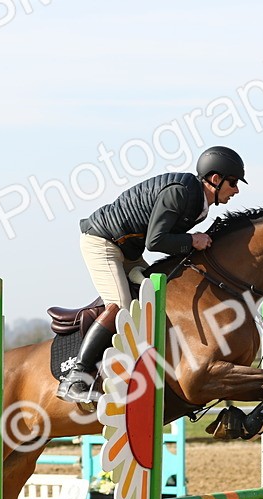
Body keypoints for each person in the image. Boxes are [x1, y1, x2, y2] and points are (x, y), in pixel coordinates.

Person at [56, 145, 247, 404]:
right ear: (215, 179)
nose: (236, 190)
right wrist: (192, 240)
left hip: (128, 249)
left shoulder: (199, 204)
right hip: (103, 242)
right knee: (122, 307)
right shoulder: (181, 193)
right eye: (233, 183)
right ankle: (75, 378)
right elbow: (156, 241)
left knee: (157, 298)